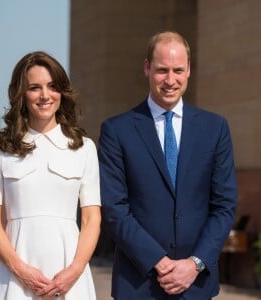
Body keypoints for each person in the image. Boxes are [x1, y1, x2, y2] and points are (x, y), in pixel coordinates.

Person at [98, 31, 237, 299]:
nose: (170, 80)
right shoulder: (117, 130)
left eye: (178, 70)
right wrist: (159, 263)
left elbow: (224, 206)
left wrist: (194, 264)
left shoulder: (215, 128)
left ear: (189, 72)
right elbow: (114, 209)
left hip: (196, 285)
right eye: (162, 70)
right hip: (138, 284)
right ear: (147, 68)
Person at [0, 51, 101, 300]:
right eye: (35, 88)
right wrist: (20, 270)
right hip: (14, 276)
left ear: (62, 92)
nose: (45, 96)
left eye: (52, 86)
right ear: (21, 94)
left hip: (71, 277)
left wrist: (74, 271)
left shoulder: (84, 148)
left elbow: (91, 219)